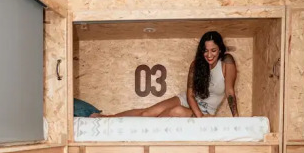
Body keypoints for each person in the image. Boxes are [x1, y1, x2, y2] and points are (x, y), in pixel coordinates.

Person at [90, 31, 239, 118]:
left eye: (213, 50)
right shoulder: (196, 65)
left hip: (206, 111)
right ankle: (107, 118)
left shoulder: (227, 62)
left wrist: (237, 119)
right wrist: (199, 117)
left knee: (175, 112)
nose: (209, 55)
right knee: (146, 114)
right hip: (187, 102)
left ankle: (151, 127)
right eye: (205, 51)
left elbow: (230, 92)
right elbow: (190, 96)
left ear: (220, 49)